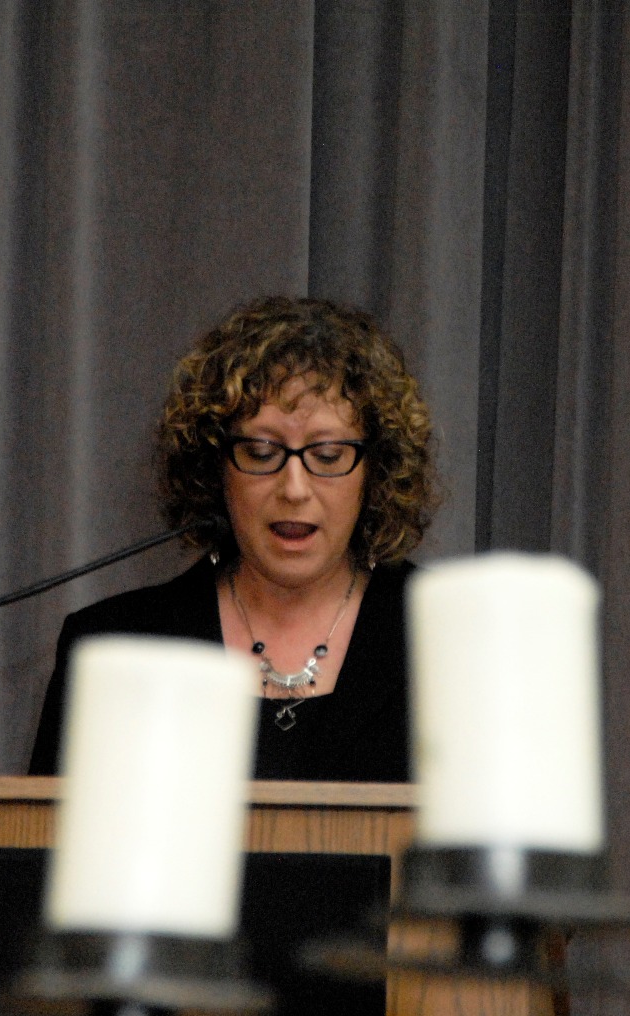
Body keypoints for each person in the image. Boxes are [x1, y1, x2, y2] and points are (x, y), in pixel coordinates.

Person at [29, 296, 438, 781]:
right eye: (261, 452)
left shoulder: (448, 644)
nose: (294, 489)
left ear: (376, 472)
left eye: (328, 455)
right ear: (213, 468)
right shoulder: (113, 650)